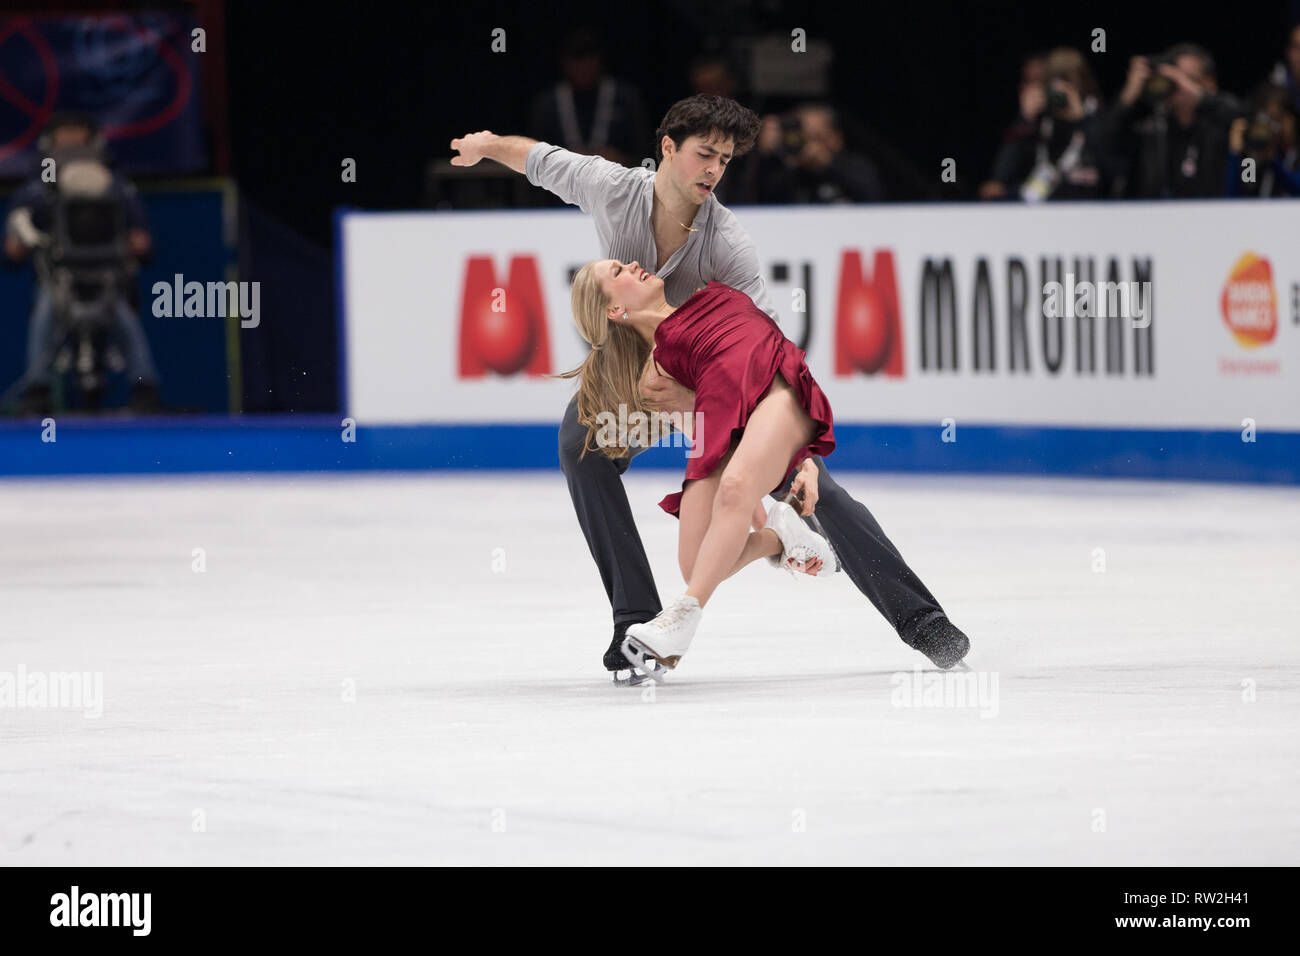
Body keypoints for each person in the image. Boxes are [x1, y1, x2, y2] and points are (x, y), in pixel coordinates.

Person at [450, 95, 970, 682]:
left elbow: (770, 349)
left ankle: (921, 620)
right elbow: (539, 159)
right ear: (667, 149)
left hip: (720, 388)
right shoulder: (612, 187)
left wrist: (793, 449)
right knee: (581, 443)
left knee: (815, 489)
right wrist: (486, 145)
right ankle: (635, 619)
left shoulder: (727, 244)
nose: (713, 171)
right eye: (704, 154)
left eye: (724, 160)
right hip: (643, 376)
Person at [564, 262, 837, 677]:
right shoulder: (654, 377)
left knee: (733, 491)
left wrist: (805, 462)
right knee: (698, 563)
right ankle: (778, 537)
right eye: (618, 270)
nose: (635, 263)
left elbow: (767, 360)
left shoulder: (709, 296)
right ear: (614, 311)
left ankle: (681, 619)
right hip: (742, 427)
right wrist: (759, 518)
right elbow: (715, 433)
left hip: (778, 392)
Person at [2, 112, 161, 415]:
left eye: (78, 132)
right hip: (59, 274)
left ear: (92, 139)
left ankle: (145, 387)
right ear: (51, 141)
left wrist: (138, 241)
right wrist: (18, 241)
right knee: (45, 313)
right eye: (65, 133)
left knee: (125, 318)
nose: (72, 139)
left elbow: (139, 233)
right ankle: (38, 388)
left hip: (106, 273)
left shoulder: (114, 183)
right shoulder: (43, 183)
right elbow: (18, 230)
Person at [1100, 44, 1240, 198]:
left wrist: (1199, 97)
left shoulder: (1222, 123)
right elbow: (1102, 147)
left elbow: (1245, 117)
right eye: (1173, 79)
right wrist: (1128, 96)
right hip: (1152, 216)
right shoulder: (1150, 125)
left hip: (1212, 215)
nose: (1180, 86)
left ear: (1210, 83)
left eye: (1189, 78)